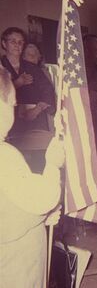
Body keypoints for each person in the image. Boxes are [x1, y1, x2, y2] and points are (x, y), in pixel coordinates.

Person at [0, 66, 64, 287]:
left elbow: (10, 208)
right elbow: (41, 200)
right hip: (17, 262)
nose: (15, 110)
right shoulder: (5, 155)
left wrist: (40, 218)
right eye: (12, 104)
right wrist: (53, 165)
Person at [1, 27, 56, 173]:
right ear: (4, 44)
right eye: (13, 41)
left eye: (20, 42)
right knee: (15, 163)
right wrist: (17, 83)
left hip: (36, 118)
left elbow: (48, 91)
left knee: (40, 163)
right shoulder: (1, 67)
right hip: (10, 121)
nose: (17, 45)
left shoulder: (32, 68)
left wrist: (37, 109)